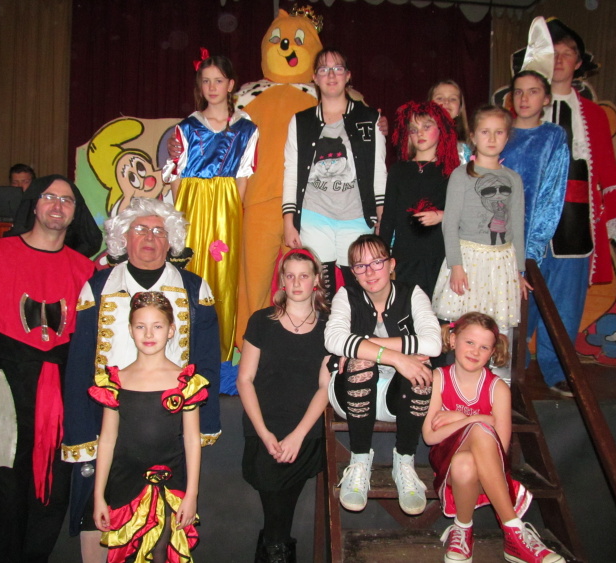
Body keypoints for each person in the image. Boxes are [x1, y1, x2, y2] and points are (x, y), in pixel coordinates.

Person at [0, 174, 100, 563]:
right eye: (49, 197)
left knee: (53, 495)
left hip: (61, 393)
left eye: (67, 200)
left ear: (75, 213)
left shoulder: (85, 271)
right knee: (8, 496)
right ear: (33, 205)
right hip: (4, 388)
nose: (58, 205)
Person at [62, 197, 220, 563]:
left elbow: (207, 363)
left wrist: (203, 422)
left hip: (169, 429)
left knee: (163, 526)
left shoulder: (195, 289)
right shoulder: (97, 287)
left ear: (171, 241)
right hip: (105, 421)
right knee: (97, 516)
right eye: (140, 229)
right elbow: (80, 363)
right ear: (124, 237)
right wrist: (81, 430)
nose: (149, 238)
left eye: (159, 231)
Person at [531, 18, 616, 396]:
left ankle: (557, 369)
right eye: (554, 53)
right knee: (518, 300)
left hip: (576, 222)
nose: (560, 60)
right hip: (530, 222)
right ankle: (507, 367)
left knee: (565, 305)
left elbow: (608, 170)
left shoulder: (593, 115)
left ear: (578, 63)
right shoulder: (523, 106)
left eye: (568, 54)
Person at [423, 312, 564, 563]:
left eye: (484, 347)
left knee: (466, 462)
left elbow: (501, 449)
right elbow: (430, 436)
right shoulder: (439, 378)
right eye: (469, 342)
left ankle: (462, 529)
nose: (475, 351)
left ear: (492, 352)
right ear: (453, 340)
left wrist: (463, 419)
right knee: (479, 430)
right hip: (446, 467)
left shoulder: (498, 388)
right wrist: (470, 419)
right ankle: (514, 530)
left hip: (483, 472)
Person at [325, 234, 441, 516]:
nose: (369, 272)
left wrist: (362, 344)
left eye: (377, 262)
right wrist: (397, 358)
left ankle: (405, 462)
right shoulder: (346, 295)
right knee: (360, 364)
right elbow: (333, 339)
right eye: (360, 266)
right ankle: (359, 460)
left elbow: (433, 343)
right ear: (353, 272)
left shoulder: (412, 293)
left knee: (420, 372)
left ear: (391, 264)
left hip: (397, 399)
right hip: (350, 394)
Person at [92, 292, 207, 562]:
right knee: (128, 552)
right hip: (125, 481)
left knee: (160, 552)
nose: (148, 334)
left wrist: (191, 494)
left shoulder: (184, 381)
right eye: (140, 326)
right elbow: (107, 439)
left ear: (171, 330)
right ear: (130, 330)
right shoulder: (116, 381)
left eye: (157, 326)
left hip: (169, 482)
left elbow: (192, 440)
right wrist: (98, 495)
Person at [162, 53, 259, 362]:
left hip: (226, 205)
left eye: (218, 81)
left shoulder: (246, 128)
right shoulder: (187, 127)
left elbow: (243, 175)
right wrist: (181, 215)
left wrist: (233, 211)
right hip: (192, 202)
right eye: (206, 81)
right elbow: (176, 175)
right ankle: (182, 354)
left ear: (230, 84)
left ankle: (218, 356)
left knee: (223, 277)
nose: (212, 87)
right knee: (189, 270)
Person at [237, 248, 331, 562]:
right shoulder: (261, 321)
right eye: (290, 275)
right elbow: (245, 379)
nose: (296, 282)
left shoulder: (329, 327)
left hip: (305, 434)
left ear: (316, 280)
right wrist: (265, 434)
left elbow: (325, 386)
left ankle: (274, 550)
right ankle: (276, 550)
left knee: (280, 516)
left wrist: (298, 435)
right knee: (278, 514)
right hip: (264, 432)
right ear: (282, 280)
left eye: (303, 275)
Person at [432, 105, 530, 379]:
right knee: (464, 326)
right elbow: (450, 223)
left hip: (501, 262)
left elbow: (517, 226)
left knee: (496, 328)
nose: (492, 138)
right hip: (469, 260)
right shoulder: (462, 175)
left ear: (507, 136)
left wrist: (519, 271)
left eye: (499, 132)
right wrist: (456, 266)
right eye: (485, 132)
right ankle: (454, 383)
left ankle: (495, 386)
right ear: (473, 136)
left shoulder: (513, 179)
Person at [283, 48, 387, 298]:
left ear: (348, 75)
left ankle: (357, 325)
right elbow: (291, 173)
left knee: (359, 289)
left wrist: (382, 217)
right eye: (324, 69)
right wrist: (289, 222)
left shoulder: (370, 118)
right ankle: (325, 326)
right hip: (314, 215)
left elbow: (379, 171)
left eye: (338, 68)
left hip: (356, 216)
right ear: (314, 77)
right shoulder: (301, 121)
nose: (331, 75)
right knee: (322, 291)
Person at [500, 19, 569, 272]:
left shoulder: (553, 136)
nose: (524, 98)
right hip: (490, 235)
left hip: (527, 240)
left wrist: (531, 252)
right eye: (519, 92)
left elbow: (551, 198)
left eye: (533, 92)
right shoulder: (498, 130)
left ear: (546, 98)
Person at [379, 100, 459, 299]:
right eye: (413, 130)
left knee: (436, 309)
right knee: (405, 306)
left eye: (426, 127)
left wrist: (442, 215)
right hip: (405, 255)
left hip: (439, 255)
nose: (420, 133)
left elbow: (464, 214)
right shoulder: (399, 170)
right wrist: (381, 257)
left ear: (441, 130)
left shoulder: (452, 172)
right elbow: (388, 218)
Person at [428, 80, 471, 164]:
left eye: (453, 99)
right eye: (440, 98)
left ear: (460, 108)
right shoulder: (420, 138)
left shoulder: (470, 142)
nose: (446, 102)